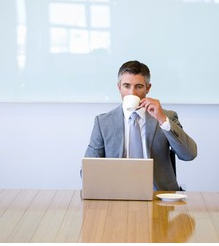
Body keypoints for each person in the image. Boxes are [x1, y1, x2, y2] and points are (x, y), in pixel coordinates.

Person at [84, 60, 197, 191]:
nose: (132, 93)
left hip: (158, 195)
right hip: (117, 194)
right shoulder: (103, 122)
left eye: (138, 86)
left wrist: (163, 121)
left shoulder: (166, 117)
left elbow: (189, 154)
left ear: (148, 88)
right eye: (126, 86)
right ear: (119, 87)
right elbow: (87, 171)